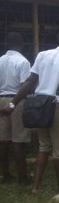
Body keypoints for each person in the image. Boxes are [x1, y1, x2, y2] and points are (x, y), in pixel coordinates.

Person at [1, 26, 59, 195]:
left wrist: (12, 104)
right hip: (58, 108)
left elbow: (29, 83)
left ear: (58, 38)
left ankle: (35, 187)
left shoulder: (42, 55)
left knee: (43, 147)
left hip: (39, 107)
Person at [0, 32, 32, 185]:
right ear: (22, 44)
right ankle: (22, 177)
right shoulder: (23, 61)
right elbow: (24, 87)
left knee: (3, 140)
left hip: (1, 99)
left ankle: (5, 175)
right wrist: (13, 104)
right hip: (16, 101)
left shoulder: (0, 61)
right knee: (18, 140)